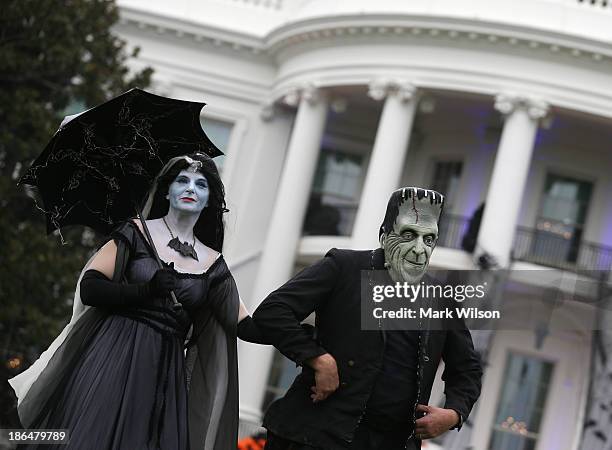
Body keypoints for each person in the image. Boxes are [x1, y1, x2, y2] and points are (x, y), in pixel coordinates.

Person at [9, 153, 266, 450]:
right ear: (167, 191)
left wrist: (297, 337)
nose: (190, 188)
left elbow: (245, 326)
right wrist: (146, 290)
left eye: (201, 184)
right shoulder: (136, 232)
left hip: (164, 372)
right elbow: (91, 288)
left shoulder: (213, 263)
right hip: (113, 354)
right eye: (182, 181)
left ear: (209, 199)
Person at [253, 187, 483, 450]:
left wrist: (453, 414)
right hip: (315, 437)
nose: (419, 249)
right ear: (384, 236)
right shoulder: (343, 267)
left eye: (429, 239)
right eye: (409, 235)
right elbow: (273, 311)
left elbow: (468, 370)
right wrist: (317, 358)